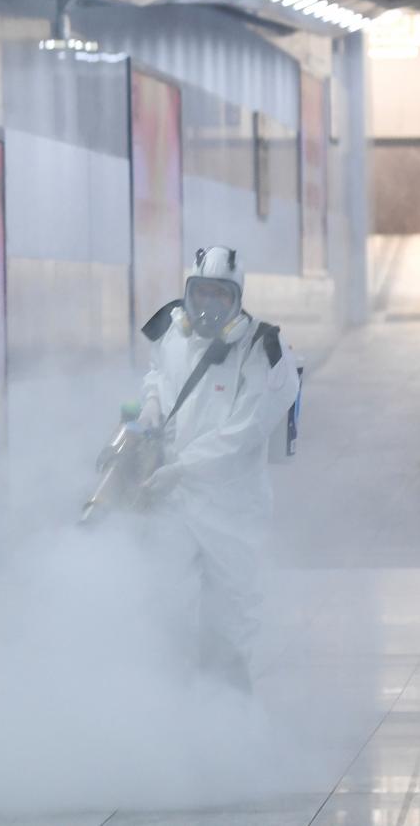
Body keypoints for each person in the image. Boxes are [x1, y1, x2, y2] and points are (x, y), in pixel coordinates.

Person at [136, 245, 301, 692]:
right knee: (165, 606)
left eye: (219, 296)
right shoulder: (173, 334)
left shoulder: (264, 353)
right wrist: (152, 406)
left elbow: (244, 433)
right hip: (174, 498)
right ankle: (176, 713)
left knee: (231, 618)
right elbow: (158, 375)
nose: (207, 305)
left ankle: (232, 724)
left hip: (231, 508)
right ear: (188, 293)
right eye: (200, 293)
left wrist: (182, 469)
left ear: (237, 298)